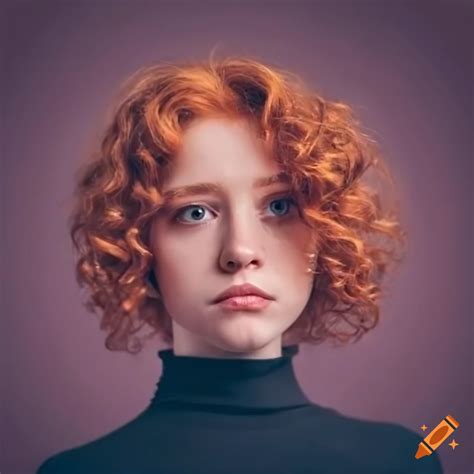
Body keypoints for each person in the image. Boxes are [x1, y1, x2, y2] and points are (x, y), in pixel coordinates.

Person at [36, 54, 443, 473]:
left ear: (327, 232)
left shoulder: (404, 461)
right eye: (195, 212)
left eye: (280, 205)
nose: (240, 250)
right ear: (139, 245)